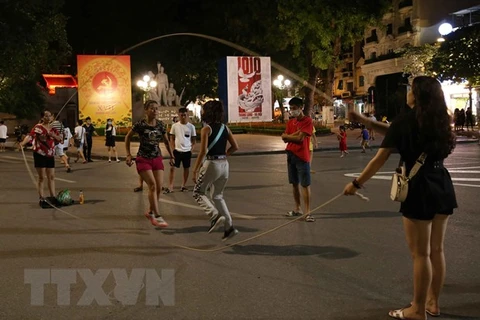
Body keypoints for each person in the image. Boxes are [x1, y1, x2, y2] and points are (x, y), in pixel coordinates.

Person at [344, 76, 457, 320]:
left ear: (416, 94)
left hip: (418, 188)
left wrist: (356, 183)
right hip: (442, 182)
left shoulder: (406, 121)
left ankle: (417, 310)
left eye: (410, 88)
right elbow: (394, 131)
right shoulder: (442, 119)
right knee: (437, 250)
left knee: (420, 254)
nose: (406, 92)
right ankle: (432, 303)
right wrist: (365, 122)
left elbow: (380, 158)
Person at [192, 100, 239, 241]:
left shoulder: (206, 129)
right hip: (224, 164)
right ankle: (229, 227)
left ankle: (215, 215)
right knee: (218, 195)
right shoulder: (225, 128)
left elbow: (202, 152)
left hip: (212, 163)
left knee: (198, 192)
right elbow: (235, 146)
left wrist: (194, 170)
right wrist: (225, 155)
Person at [125, 100, 174, 228]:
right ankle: (157, 215)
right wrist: (128, 154)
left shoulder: (161, 125)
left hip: (157, 157)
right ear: (146, 110)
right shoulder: (140, 124)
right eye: (152, 108)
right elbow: (127, 137)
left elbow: (166, 142)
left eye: (157, 108)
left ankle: (151, 212)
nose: (155, 111)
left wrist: (172, 156)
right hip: (143, 158)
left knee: (158, 188)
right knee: (152, 185)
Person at [281, 97, 314, 222]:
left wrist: (288, 137)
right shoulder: (290, 122)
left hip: (302, 156)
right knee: (294, 184)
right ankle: (297, 209)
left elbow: (300, 139)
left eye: (294, 108)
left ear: (301, 108)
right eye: (290, 108)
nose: (292, 111)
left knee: (305, 185)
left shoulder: (307, 121)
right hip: (291, 155)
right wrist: (292, 136)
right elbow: (284, 138)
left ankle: (308, 212)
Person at [20, 110, 62, 206]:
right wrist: (23, 143)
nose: (48, 117)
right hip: (40, 154)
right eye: (46, 116)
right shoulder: (38, 127)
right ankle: (42, 198)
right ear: (42, 117)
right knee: (42, 177)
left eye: (50, 116)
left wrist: (53, 135)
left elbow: (60, 138)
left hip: (50, 154)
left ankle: (53, 196)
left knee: (51, 176)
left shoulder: (53, 129)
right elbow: (30, 136)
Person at [165, 107, 196, 193]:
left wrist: (191, 150)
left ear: (187, 115)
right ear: (178, 115)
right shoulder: (175, 126)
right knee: (172, 168)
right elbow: (172, 138)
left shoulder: (191, 127)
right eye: (181, 115)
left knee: (186, 168)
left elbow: (193, 140)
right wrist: (173, 149)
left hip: (187, 151)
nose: (183, 116)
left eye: (185, 115)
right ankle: (170, 186)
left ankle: (183, 185)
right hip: (177, 151)